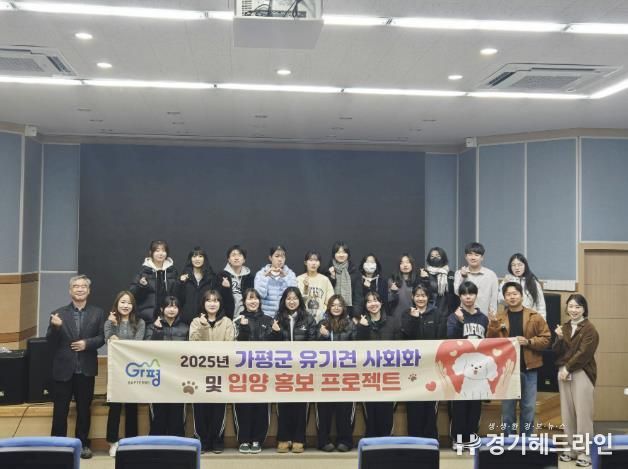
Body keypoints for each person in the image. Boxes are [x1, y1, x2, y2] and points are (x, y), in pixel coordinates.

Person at [47, 275, 105, 459]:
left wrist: (87, 344)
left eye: (83, 286)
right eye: (76, 286)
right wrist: (55, 327)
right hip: (63, 369)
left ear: (89, 290)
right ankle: (57, 445)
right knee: (60, 410)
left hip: (85, 369)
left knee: (84, 410)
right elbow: (50, 341)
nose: (80, 289)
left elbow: (102, 338)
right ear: (70, 290)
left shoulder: (97, 313)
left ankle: (83, 444)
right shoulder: (58, 313)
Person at [487, 282, 551, 436]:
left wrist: (529, 342)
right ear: (504, 298)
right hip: (507, 371)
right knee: (507, 410)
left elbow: (547, 339)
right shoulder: (499, 318)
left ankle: (526, 441)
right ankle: (508, 440)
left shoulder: (534, 316)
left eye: (515, 293)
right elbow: (490, 343)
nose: (512, 297)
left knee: (528, 408)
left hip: (529, 368)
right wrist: (493, 325)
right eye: (508, 294)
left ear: (521, 296)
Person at [553, 294, 599, 467]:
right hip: (563, 373)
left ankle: (585, 452)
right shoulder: (564, 327)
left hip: (581, 372)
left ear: (584, 309)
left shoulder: (589, 329)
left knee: (583, 415)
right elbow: (556, 351)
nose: (573, 310)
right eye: (571, 306)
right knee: (567, 414)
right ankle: (571, 449)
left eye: (577, 307)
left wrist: (567, 368)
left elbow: (584, 353)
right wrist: (558, 338)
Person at [269, 287, 317, 453]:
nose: (291, 301)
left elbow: (314, 342)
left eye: (294, 298)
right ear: (284, 300)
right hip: (283, 370)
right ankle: (283, 438)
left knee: (300, 405)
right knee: (284, 405)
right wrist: (275, 332)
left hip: (303, 369)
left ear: (299, 300)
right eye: (288, 298)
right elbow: (270, 345)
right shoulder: (277, 318)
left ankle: (299, 439)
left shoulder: (308, 318)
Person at [189, 290, 235, 453]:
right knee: (200, 407)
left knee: (218, 407)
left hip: (220, 372)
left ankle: (217, 440)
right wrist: (203, 327)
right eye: (208, 300)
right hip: (200, 372)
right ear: (203, 303)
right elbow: (192, 344)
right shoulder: (196, 321)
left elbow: (230, 345)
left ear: (220, 303)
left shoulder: (227, 322)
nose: (212, 303)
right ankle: (201, 439)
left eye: (215, 300)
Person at [447, 281, 488, 450]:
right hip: (460, 369)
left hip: (479, 369)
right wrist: (459, 321)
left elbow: (489, 343)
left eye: (471, 293)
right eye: (464, 294)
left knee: (474, 407)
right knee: (459, 406)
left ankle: (471, 438)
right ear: (460, 296)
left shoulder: (483, 318)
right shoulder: (453, 316)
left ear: (476, 295)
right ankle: (457, 439)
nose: (468, 297)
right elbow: (450, 340)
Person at [105, 290, 145, 457]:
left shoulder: (140, 322)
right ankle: (112, 441)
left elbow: (136, 345)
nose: (125, 305)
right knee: (114, 408)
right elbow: (109, 341)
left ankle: (131, 441)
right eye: (122, 302)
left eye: (129, 303)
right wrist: (113, 325)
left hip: (133, 370)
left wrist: (119, 341)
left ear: (133, 306)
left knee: (131, 407)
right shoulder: (110, 322)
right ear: (117, 304)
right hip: (116, 370)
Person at [233, 288, 273, 454]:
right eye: (249, 298)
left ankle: (257, 440)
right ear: (244, 301)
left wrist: (276, 333)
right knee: (244, 406)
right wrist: (243, 328)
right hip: (242, 372)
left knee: (261, 406)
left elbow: (274, 345)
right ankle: (244, 439)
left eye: (256, 298)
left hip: (263, 371)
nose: (253, 301)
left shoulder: (268, 320)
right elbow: (235, 345)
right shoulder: (237, 320)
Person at [316, 295, 356, 452]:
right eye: (333, 305)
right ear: (329, 307)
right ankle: (323, 441)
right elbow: (312, 348)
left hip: (345, 374)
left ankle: (345, 441)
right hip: (325, 375)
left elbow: (356, 346)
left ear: (343, 307)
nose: (336, 308)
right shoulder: (322, 323)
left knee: (344, 409)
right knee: (324, 410)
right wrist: (323, 337)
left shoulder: (350, 324)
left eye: (339, 305)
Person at [356, 291, 399, 437]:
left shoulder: (393, 322)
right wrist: (362, 328)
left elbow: (401, 346)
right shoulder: (362, 323)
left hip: (388, 375)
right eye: (369, 301)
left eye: (375, 300)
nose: (372, 304)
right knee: (370, 409)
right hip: (368, 375)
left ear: (381, 303)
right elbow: (357, 349)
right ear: (365, 305)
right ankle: (371, 439)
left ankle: (386, 438)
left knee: (386, 409)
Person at [145, 296, 189, 436]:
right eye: (169, 306)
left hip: (179, 377)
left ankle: (177, 442)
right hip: (158, 377)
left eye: (175, 306)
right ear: (162, 309)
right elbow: (146, 350)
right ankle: (156, 442)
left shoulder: (185, 328)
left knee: (177, 413)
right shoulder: (152, 326)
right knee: (158, 412)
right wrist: (157, 330)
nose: (172, 309)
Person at [400, 284, 439, 439]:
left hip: (431, 365)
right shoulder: (406, 313)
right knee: (414, 403)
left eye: (423, 295)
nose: (420, 298)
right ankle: (414, 438)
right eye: (417, 295)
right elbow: (405, 337)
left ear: (428, 297)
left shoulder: (436, 313)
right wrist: (414, 319)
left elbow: (441, 338)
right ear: (412, 297)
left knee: (430, 403)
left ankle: (430, 438)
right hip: (413, 367)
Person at [130, 240, 178, 323]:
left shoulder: (172, 271)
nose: (160, 253)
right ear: (151, 253)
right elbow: (132, 294)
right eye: (157, 251)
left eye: (163, 251)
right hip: (147, 317)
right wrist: (141, 286)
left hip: (168, 316)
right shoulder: (143, 271)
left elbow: (177, 294)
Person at [419, 247, 459, 337]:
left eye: (437, 256)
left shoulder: (451, 274)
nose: (435, 258)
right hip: (429, 313)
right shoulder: (424, 273)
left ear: (443, 257)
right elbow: (420, 294)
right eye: (432, 256)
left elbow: (456, 294)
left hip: (447, 313)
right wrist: (424, 280)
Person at [175, 246, 220, 325]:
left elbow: (217, 299)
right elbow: (178, 300)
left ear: (204, 259)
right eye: (194, 256)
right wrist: (181, 283)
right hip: (185, 321)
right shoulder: (183, 277)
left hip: (206, 321)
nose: (197, 259)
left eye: (200, 256)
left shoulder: (212, 278)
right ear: (190, 259)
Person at [454, 242, 498, 317]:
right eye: (470, 254)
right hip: (464, 317)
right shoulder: (459, 273)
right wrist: (463, 277)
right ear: (466, 257)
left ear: (482, 257)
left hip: (484, 317)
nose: (473, 258)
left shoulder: (491, 275)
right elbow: (457, 292)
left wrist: (493, 316)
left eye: (476, 255)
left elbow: (494, 299)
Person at [498, 253, 547, 320]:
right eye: (513, 265)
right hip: (512, 318)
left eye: (520, 265)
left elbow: (541, 305)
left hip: (531, 319)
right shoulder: (507, 280)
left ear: (525, 266)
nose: (517, 268)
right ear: (510, 267)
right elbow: (500, 300)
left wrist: (542, 321)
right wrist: (504, 284)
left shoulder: (533, 282)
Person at [254, 245, 297, 317]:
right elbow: (259, 295)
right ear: (270, 258)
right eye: (277, 256)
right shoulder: (261, 274)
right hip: (265, 315)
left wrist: (285, 278)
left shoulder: (290, 274)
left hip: (284, 316)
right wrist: (265, 277)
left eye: (282, 256)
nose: (280, 259)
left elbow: (294, 296)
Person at [297, 250, 334, 322]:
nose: (313, 263)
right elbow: (297, 302)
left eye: (316, 260)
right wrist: (305, 288)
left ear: (319, 263)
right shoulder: (299, 279)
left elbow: (330, 301)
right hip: (303, 319)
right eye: (310, 260)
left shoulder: (325, 280)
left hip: (321, 319)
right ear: (305, 263)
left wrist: (323, 314)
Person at [219, 245, 254, 320]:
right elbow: (216, 299)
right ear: (228, 259)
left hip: (246, 317)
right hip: (226, 318)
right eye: (233, 255)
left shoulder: (250, 277)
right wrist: (225, 289)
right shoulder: (221, 276)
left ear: (244, 259)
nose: (236, 258)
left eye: (239, 255)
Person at [326, 241, 360, 316]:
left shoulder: (354, 270)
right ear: (334, 254)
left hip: (349, 312)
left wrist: (356, 315)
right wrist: (332, 277)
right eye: (338, 252)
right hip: (330, 312)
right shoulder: (327, 270)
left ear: (348, 254)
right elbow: (325, 293)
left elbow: (358, 296)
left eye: (344, 252)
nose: (341, 255)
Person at [388, 254, 420, 328]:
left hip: (414, 317)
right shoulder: (392, 280)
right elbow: (387, 301)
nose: (405, 265)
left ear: (412, 264)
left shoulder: (418, 280)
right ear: (399, 266)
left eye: (407, 262)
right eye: (402, 263)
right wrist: (393, 292)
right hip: (397, 318)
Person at [353, 254, 389, 318]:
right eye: (367, 262)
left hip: (379, 316)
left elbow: (384, 300)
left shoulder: (382, 281)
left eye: (372, 262)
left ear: (376, 265)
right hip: (362, 316)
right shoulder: (358, 280)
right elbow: (356, 301)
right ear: (363, 265)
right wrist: (356, 316)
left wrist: (370, 288)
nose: (369, 264)